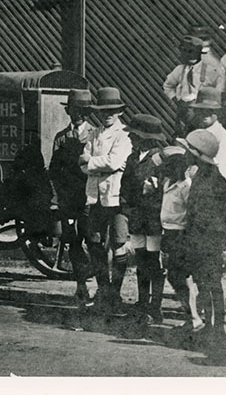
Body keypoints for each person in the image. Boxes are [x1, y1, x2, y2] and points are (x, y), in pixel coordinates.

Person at [79, 87, 133, 314]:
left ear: (119, 111)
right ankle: (104, 290)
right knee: (94, 241)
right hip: (95, 196)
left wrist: (93, 163)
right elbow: (82, 163)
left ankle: (115, 293)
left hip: (116, 196)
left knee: (119, 243)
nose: (107, 114)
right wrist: (98, 164)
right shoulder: (93, 134)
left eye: (112, 110)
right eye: (103, 111)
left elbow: (114, 162)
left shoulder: (124, 135)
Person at [180, 129, 226, 342]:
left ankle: (218, 330)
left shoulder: (214, 180)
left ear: (197, 155)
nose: (185, 155)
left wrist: (215, 241)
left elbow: (224, 213)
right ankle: (210, 326)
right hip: (199, 240)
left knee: (212, 285)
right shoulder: (201, 176)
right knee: (204, 283)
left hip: (209, 242)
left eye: (188, 151)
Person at [46, 89, 95, 309]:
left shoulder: (94, 136)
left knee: (92, 238)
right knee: (72, 240)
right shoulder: (61, 137)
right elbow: (54, 171)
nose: (78, 116)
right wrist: (57, 200)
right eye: (75, 111)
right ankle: (81, 285)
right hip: (68, 199)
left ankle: (100, 285)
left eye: (83, 111)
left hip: (90, 198)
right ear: (69, 111)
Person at [118, 113, 168, 323]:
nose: (130, 138)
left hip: (153, 219)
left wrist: (152, 190)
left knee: (153, 261)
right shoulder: (132, 157)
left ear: (146, 137)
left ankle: (155, 306)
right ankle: (142, 301)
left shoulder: (161, 159)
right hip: (137, 217)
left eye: (134, 135)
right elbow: (126, 184)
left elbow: (165, 189)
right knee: (140, 259)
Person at [157, 144, 202, 331]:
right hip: (168, 233)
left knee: (183, 276)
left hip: (181, 235)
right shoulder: (168, 184)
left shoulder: (186, 186)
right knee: (174, 277)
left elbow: (192, 213)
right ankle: (190, 315)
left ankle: (195, 317)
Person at [162, 35, 222, 135]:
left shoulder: (210, 71)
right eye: (185, 52)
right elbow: (168, 86)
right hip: (182, 107)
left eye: (191, 51)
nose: (188, 55)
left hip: (198, 109)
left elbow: (218, 90)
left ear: (199, 53)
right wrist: (175, 98)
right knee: (181, 133)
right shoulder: (180, 70)